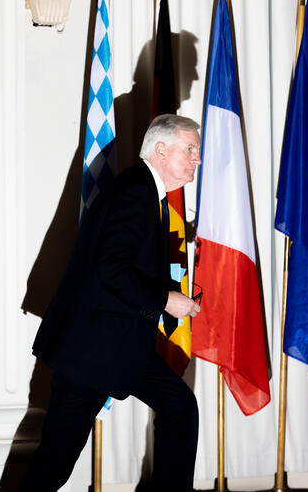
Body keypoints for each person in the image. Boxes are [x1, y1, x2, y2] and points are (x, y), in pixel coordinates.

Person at [21, 114, 202, 492]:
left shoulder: (142, 192)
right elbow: (109, 267)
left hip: (117, 344)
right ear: (161, 149)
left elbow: (121, 264)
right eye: (190, 149)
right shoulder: (137, 190)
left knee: (179, 406)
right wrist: (166, 298)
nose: (196, 158)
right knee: (54, 464)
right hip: (93, 350)